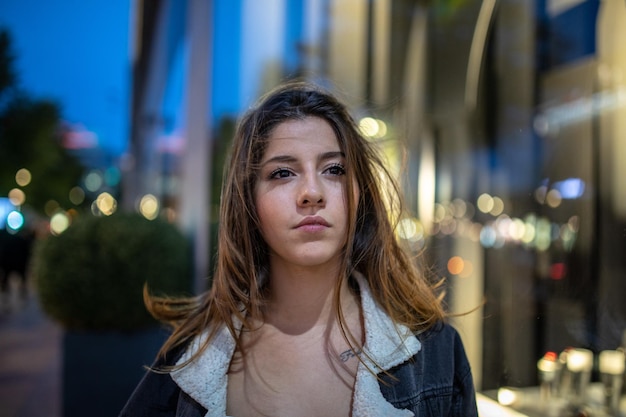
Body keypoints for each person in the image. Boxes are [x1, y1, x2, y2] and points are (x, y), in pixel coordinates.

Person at [120, 81, 478, 417]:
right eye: (282, 173)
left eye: (334, 169)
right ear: (249, 201)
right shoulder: (193, 354)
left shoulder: (437, 353)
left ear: (361, 194)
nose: (312, 192)